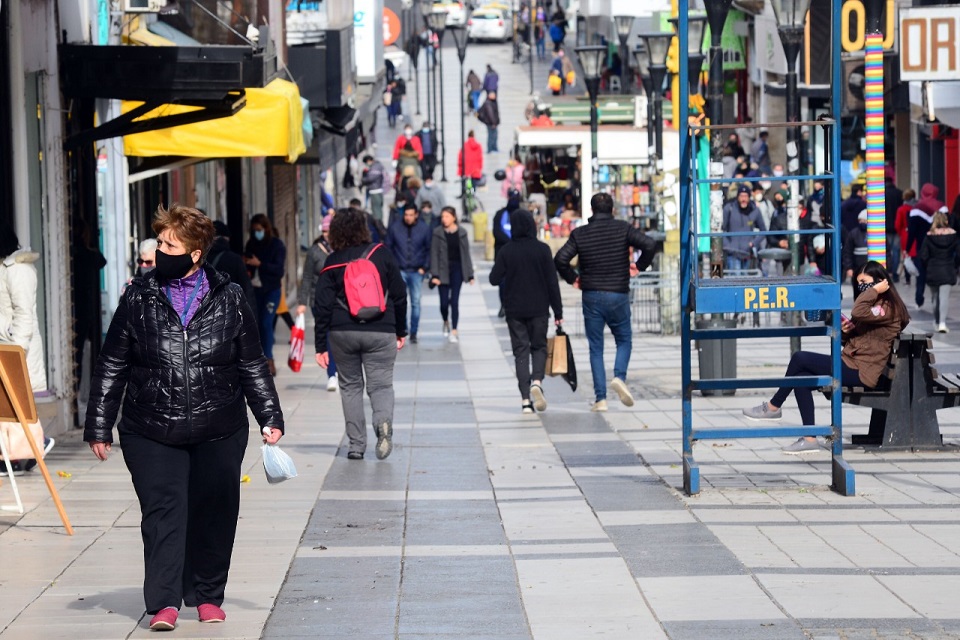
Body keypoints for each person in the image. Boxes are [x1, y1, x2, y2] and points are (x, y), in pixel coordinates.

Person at [84, 204, 284, 630]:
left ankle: (208, 594)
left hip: (219, 427)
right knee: (164, 511)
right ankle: (164, 602)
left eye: (169, 244)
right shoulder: (138, 297)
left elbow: (251, 361)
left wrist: (269, 415)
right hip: (151, 427)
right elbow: (112, 363)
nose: (160, 250)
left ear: (195, 252)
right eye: (159, 242)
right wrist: (99, 423)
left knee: (215, 509)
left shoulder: (228, 296)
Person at [743, 261, 909, 454]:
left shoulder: (886, 307)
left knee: (799, 358)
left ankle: (773, 406)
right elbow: (864, 337)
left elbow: (858, 311)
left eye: (865, 282)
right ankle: (809, 437)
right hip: (854, 364)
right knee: (801, 379)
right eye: (858, 283)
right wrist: (848, 333)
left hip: (862, 371)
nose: (861, 286)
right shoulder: (876, 305)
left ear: (881, 282)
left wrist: (873, 291)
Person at [312, 208, 407, 461]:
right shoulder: (381, 254)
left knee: (350, 386)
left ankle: (356, 445)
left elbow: (320, 306)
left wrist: (320, 345)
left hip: (343, 332)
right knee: (382, 385)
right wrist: (401, 330)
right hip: (381, 329)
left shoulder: (332, 261)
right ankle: (383, 422)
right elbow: (399, 294)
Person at [554, 193, 657, 412]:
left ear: (592, 210)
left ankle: (600, 399)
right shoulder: (623, 228)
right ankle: (619, 377)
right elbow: (649, 244)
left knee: (595, 348)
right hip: (618, 294)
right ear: (611, 209)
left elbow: (560, 259)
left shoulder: (580, 233)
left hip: (591, 295)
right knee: (624, 340)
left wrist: (573, 279)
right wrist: (638, 266)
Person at [489, 208, 563, 413]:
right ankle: (537, 382)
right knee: (538, 347)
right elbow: (552, 283)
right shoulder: (543, 250)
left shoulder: (507, 250)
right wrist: (558, 312)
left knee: (520, 351)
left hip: (515, 310)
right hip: (539, 308)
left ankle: (524, 400)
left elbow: (494, 279)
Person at [0, 221, 54, 475]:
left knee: (19, 406)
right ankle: (21, 454)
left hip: (17, 351)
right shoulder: (6, 268)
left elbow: (24, 317)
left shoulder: (17, 270)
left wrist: (16, 352)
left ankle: (36, 445)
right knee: (13, 406)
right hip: (8, 348)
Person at [297, 215, 339, 390]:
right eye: (324, 231)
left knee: (339, 336)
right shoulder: (314, 251)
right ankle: (332, 374)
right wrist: (302, 302)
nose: (326, 234)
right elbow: (306, 277)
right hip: (318, 300)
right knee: (328, 335)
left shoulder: (341, 249)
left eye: (329, 231)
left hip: (339, 300)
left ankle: (340, 369)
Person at [243, 214, 286, 376]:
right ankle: (259, 358)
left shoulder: (277, 245)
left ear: (266, 229)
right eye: (254, 231)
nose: (256, 233)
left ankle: (269, 359)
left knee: (266, 323)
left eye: (259, 230)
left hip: (271, 290)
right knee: (255, 324)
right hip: (255, 290)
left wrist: (260, 264)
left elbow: (279, 270)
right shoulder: (251, 244)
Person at [386, 202, 432, 344]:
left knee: (415, 302)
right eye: (406, 215)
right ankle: (402, 329)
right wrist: (392, 268)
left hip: (417, 271)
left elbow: (430, 249)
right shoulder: (395, 228)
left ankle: (414, 331)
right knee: (399, 302)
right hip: (399, 270)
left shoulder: (424, 229)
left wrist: (425, 267)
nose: (408, 218)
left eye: (411, 215)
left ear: (416, 215)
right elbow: (388, 248)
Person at [430, 206, 475, 344]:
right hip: (442, 269)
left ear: (454, 217)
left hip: (457, 269)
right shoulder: (437, 233)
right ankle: (445, 320)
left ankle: (454, 329)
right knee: (444, 303)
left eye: (447, 216)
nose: (444, 219)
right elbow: (434, 254)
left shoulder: (462, 232)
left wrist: (470, 274)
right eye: (443, 217)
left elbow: (466, 254)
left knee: (454, 301)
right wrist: (435, 274)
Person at [920, 211, 958, 333]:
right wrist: (954, 265)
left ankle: (936, 322)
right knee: (944, 298)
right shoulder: (953, 236)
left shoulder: (929, 236)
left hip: (933, 269)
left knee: (935, 298)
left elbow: (923, 255)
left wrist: (928, 265)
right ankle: (942, 323)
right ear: (946, 221)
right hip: (947, 268)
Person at [207, 220, 256, 315]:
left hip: (207, 311)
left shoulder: (199, 258)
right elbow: (246, 289)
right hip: (230, 310)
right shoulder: (235, 259)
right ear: (226, 239)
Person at [722, 185, 766, 273]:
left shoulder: (755, 210)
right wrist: (728, 245)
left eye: (746, 196)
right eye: (741, 196)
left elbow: (763, 231)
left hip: (748, 253)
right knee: (735, 281)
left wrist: (753, 243)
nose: (743, 199)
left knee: (746, 281)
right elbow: (721, 230)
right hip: (733, 253)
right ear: (737, 197)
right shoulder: (729, 208)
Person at [842, 209, 870, 298]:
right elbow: (847, 252)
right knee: (858, 293)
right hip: (857, 269)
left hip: (870, 269)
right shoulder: (853, 234)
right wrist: (849, 267)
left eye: (865, 220)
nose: (862, 222)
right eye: (861, 220)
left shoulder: (875, 233)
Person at [895, 188, 917, 285]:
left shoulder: (901, 209)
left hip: (905, 234)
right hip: (915, 234)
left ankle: (908, 279)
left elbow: (897, 224)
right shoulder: (917, 208)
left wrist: (901, 233)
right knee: (916, 255)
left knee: (906, 256)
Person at [885, 175, 904, 281]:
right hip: (897, 227)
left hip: (885, 227)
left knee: (887, 251)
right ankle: (895, 274)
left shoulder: (882, 193)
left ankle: (887, 272)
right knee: (896, 250)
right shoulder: (899, 193)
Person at [361, 155, 386, 225]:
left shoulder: (375, 167)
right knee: (377, 209)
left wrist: (363, 179)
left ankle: (379, 225)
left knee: (376, 210)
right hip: (377, 190)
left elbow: (370, 178)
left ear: (369, 160)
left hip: (375, 190)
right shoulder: (377, 166)